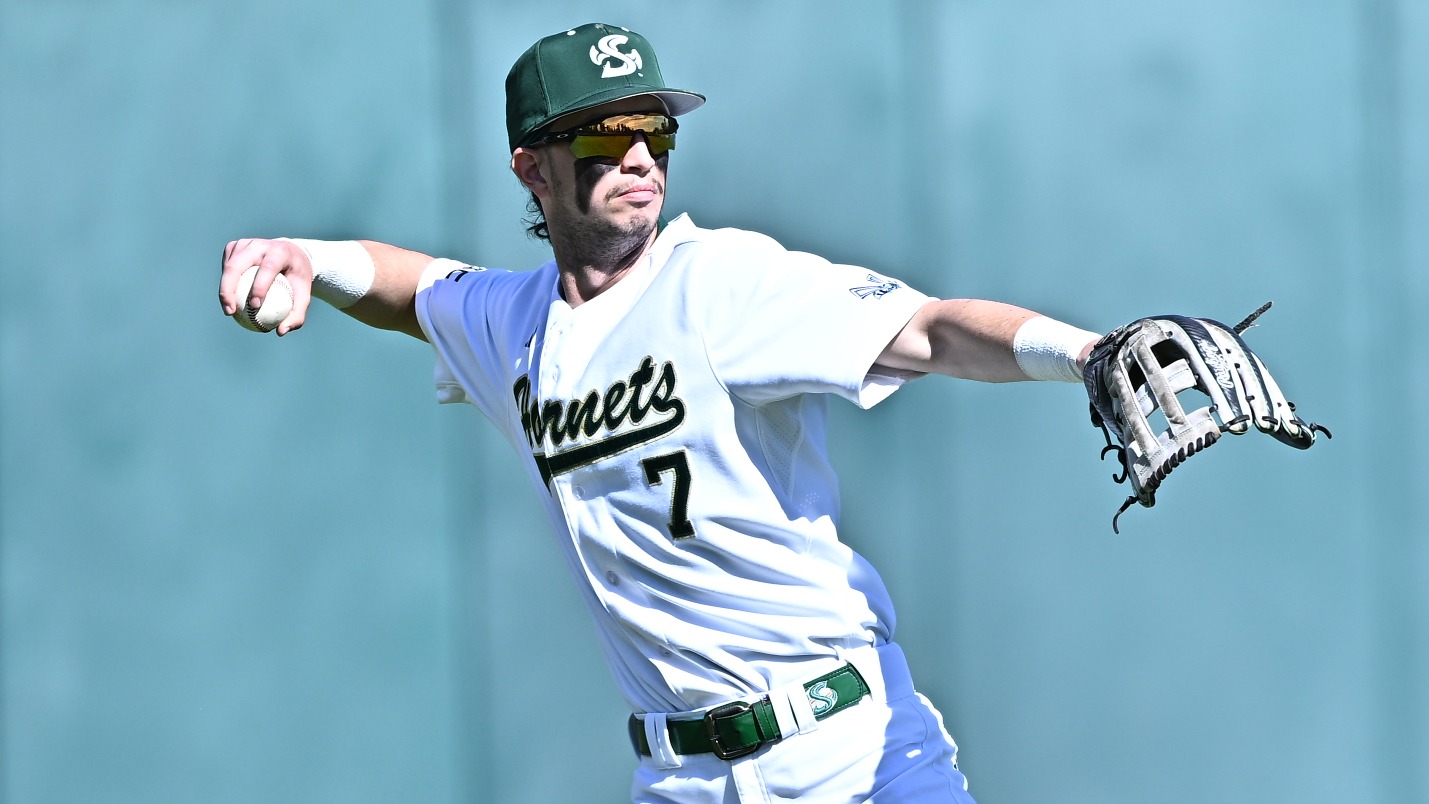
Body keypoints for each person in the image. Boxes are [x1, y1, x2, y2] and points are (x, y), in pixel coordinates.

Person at [219, 22, 1100, 803]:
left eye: (656, 129)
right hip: (679, 777)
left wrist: (1085, 354)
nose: (640, 156)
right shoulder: (511, 326)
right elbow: (411, 288)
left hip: (847, 755)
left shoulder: (720, 282)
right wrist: (304, 256)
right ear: (531, 167)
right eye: (606, 133)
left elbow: (930, 330)